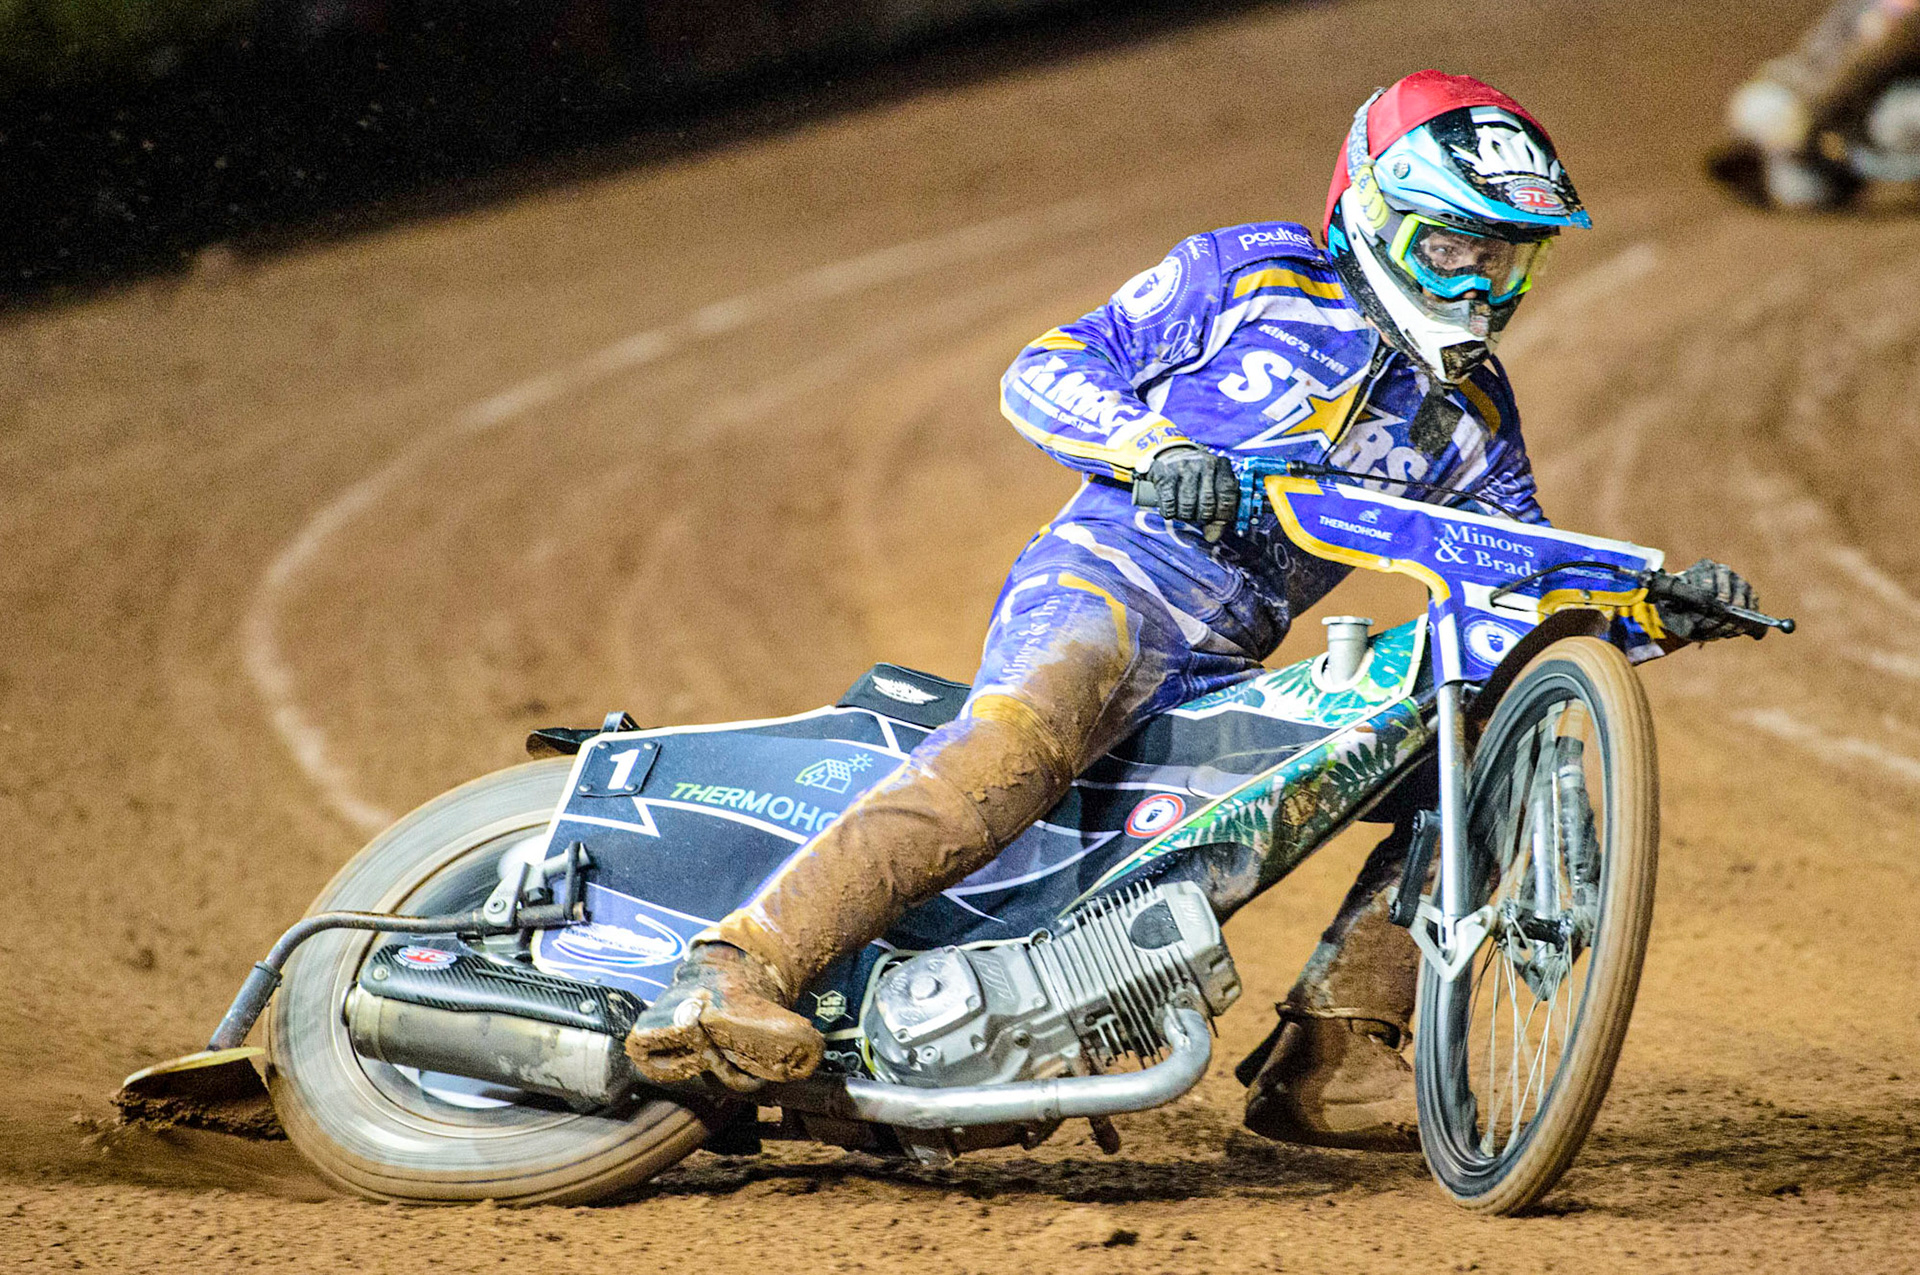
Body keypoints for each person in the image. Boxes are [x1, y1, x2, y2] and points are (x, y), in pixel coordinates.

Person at [623, 70, 1756, 1150]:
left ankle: (1333, 1056)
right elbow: (1049, 364)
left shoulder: (1472, 419)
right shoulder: (1254, 274)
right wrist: (1152, 445)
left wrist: (1652, 615)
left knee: (1483, 752)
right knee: (1028, 731)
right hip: (1111, 581)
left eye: (1505, 261)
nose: (1475, 288)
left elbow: (1519, 584)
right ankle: (734, 970)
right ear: (1371, 217)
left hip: (1230, 670)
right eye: (1450, 249)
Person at [1715, 0, 1920, 209]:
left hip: (1869, 115)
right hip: (1838, 113)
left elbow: (1876, 56)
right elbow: (1824, 60)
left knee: (1897, 121)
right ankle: (1818, 166)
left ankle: (1823, 164)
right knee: (1761, 110)